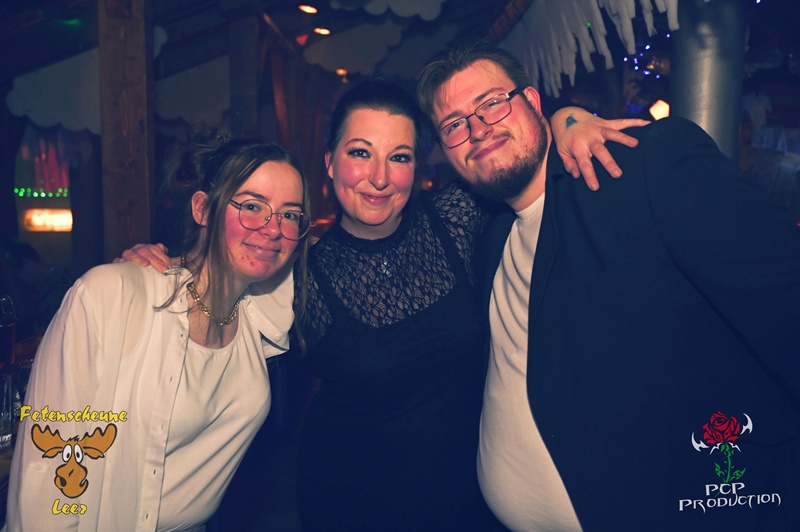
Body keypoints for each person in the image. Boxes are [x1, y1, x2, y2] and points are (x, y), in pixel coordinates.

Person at [118, 82, 644, 530]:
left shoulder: (457, 218)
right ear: (330, 162)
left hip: (469, 503)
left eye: (399, 157)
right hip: (349, 506)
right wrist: (164, 263)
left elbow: (516, 158)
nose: (379, 177)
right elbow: (218, 281)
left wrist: (568, 119)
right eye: (360, 153)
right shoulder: (293, 268)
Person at [416, 40, 800, 531]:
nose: (478, 129)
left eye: (491, 103)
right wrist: (567, 117)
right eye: (454, 125)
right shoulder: (487, 231)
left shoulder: (648, 163)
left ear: (531, 101)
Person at [4, 129, 310, 531]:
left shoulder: (261, 314)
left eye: (290, 214)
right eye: (252, 206)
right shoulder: (110, 295)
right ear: (202, 209)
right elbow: (44, 480)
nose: (273, 228)